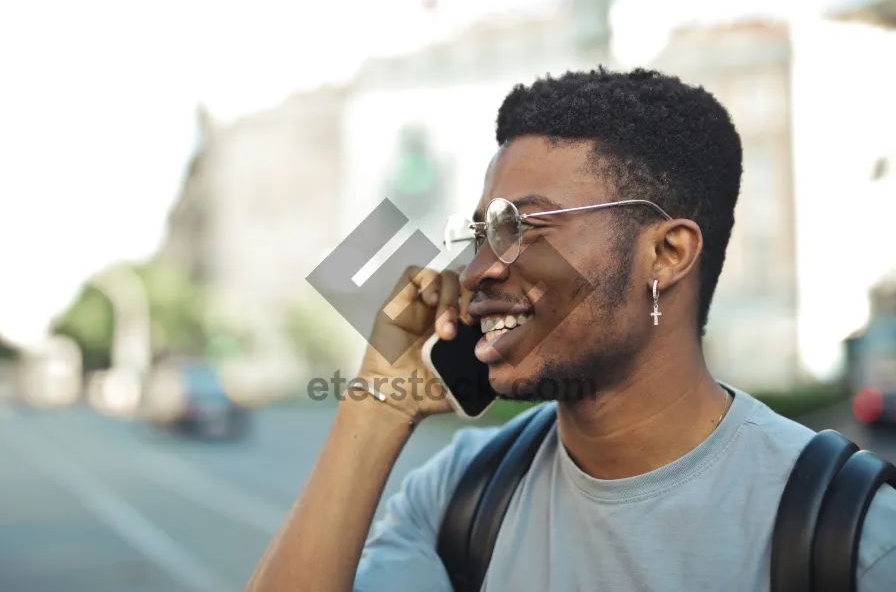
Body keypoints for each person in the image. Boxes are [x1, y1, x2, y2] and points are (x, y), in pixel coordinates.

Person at [245, 68, 896, 591]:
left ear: (667, 254)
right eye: (480, 234)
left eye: (522, 229)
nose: (475, 272)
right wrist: (378, 409)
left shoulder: (852, 534)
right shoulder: (462, 499)